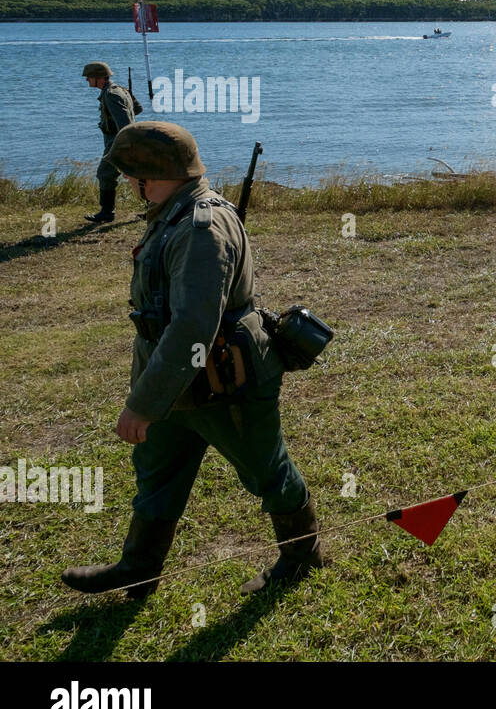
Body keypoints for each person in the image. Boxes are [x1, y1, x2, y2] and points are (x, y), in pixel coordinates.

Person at [61, 121, 324, 599]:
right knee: (158, 472)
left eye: (130, 175)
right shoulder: (173, 211)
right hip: (178, 383)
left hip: (227, 382)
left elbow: (192, 329)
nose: (126, 184)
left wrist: (142, 403)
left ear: (148, 175)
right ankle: (138, 569)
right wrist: (154, 396)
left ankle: (301, 556)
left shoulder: (200, 227)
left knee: (267, 471)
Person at [82, 61, 137, 223]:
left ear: (99, 78)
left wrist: (123, 147)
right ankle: (153, 209)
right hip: (122, 140)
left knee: (105, 174)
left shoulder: (111, 95)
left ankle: (107, 212)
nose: (86, 80)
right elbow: (137, 109)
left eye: (89, 77)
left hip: (118, 142)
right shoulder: (120, 90)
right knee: (139, 175)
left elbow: (125, 124)